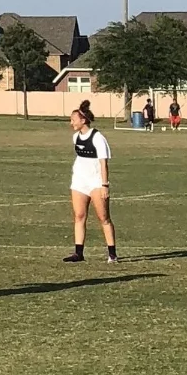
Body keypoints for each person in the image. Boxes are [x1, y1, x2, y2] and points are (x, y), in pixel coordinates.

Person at [66, 100, 117, 263]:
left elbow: (103, 163)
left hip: (96, 182)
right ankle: (78, 253)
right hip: (79, 182)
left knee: (104, 218)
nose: (71, 123)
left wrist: (104, 185)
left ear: (83, 120)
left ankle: (112, 254)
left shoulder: (98, 138)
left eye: (73, 119)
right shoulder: (75, 137)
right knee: (79, 216)